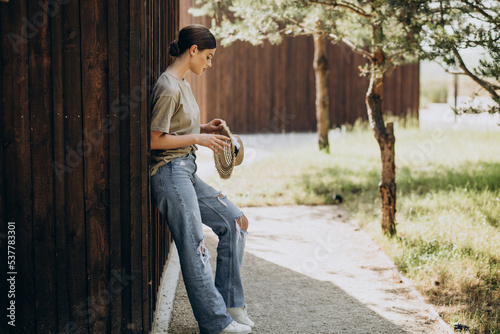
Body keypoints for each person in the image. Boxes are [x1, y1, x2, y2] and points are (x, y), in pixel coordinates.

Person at [150, 24, 254, 334]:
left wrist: (206, 128)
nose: (209, 64)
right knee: (195, 246)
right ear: (193, 50)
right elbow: (153, 140)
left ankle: (230, 304)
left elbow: (176, 130)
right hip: (169, 174)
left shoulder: (182, 83)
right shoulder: (167, 86)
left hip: (187, 171)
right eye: (207, 57)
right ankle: (215, 323)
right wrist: (198, 137)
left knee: (236, 222)